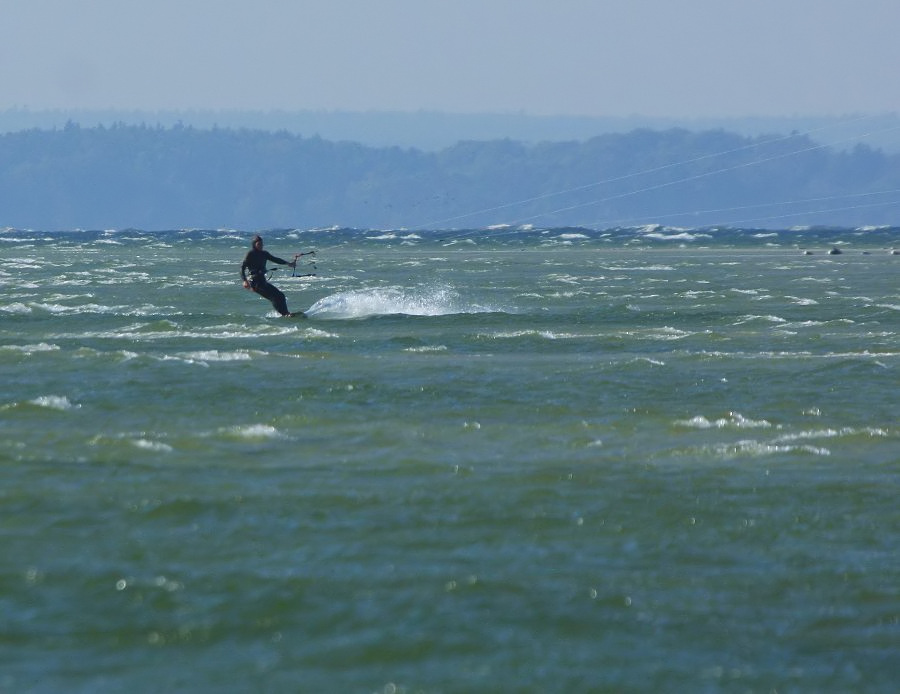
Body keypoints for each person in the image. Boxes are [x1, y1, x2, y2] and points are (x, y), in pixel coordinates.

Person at [240, 235, 297, 316]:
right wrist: (245, 281)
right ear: (254, 244)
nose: (261, 246)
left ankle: (286, 313)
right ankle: (285, 314)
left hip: (262, 281)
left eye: (262, 244)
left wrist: (288, 263)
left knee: (280, 295)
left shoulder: (264, 254)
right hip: (254, 282)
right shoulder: (250, 254)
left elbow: (276, 259)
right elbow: (241, 268)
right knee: (273, 297)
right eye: (259, 244)